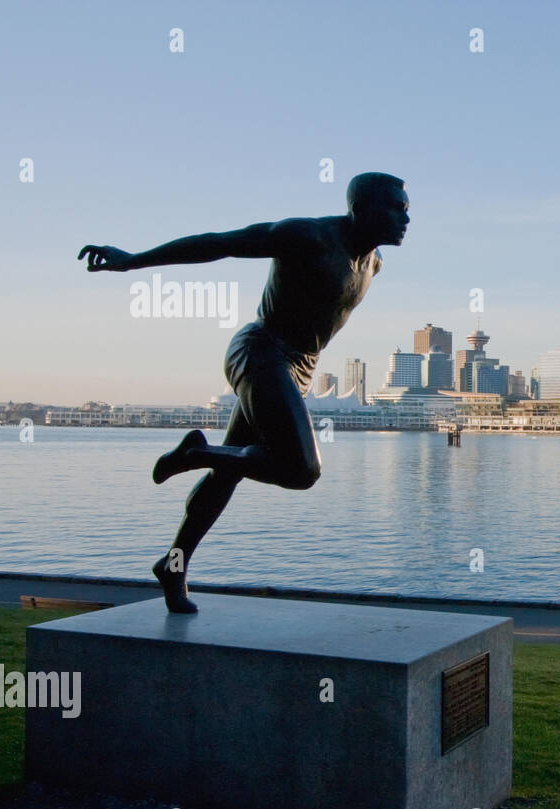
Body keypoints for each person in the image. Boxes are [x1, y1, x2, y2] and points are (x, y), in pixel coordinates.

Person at [78, 172, 410, 613]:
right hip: (260, 352)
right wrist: (131, 260)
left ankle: (173, 565)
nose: (406, 217)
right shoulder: (307, 236)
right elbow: (219, 243)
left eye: (407, 208)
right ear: (361, 209)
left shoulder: (374, 264)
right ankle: (197, 453)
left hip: (298, 371)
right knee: (302, 470)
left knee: (229, 473)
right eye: (396, 208)